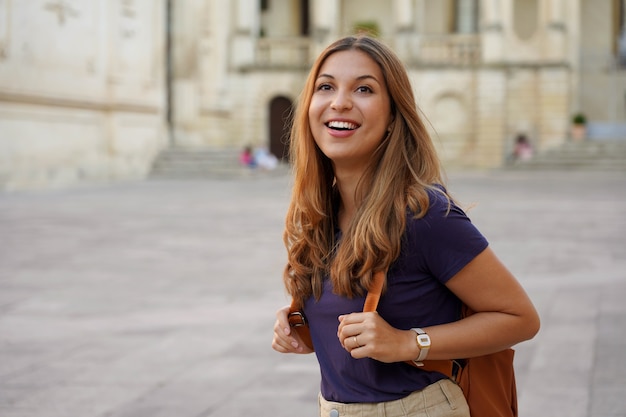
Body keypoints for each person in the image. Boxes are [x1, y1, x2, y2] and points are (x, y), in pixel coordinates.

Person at [271, 36, 540, 417]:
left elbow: (520, 318)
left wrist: (407, 343)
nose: (340, 101)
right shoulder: (321, 213)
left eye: (364, 88)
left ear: (393, 115)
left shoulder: (423, 214)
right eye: (326, 86)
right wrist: (303, 319)